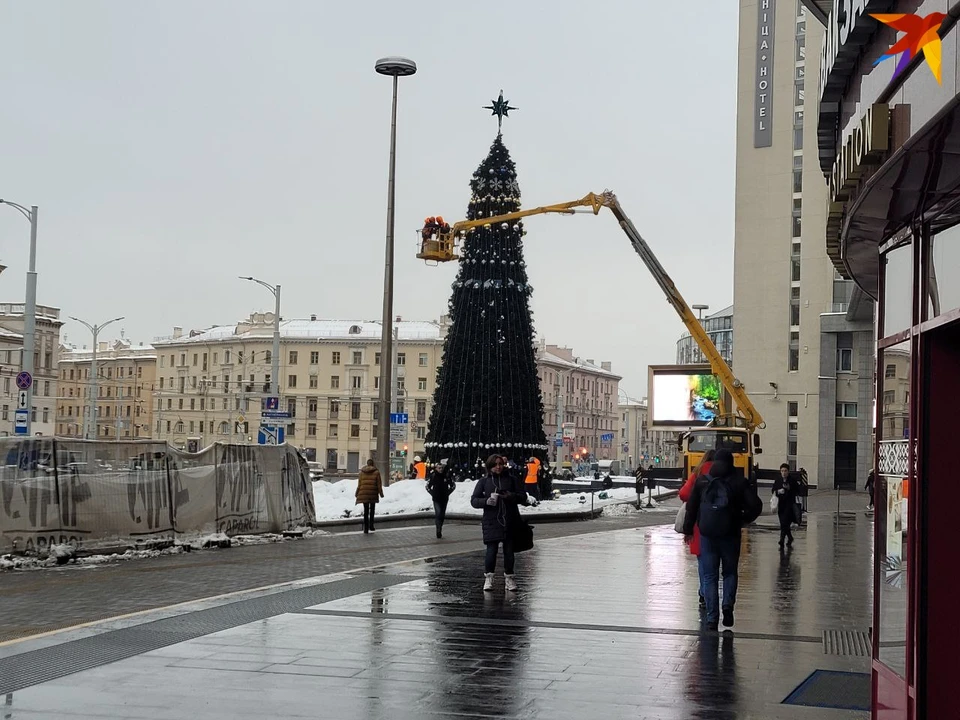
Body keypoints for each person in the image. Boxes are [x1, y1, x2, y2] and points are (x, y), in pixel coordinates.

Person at [683, 449, 762, 631]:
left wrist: (688, 530)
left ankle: (712, 618)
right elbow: (756, 505)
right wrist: (743, 519)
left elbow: (691, 507)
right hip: (730, 534)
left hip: (707, 535)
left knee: (710, 576)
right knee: (729, 573)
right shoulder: (738, 482)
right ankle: (727, 606)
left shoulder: (702, 481)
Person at [470, 454, 528, 592]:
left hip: (509, 520)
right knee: (491, 551)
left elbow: (523, 496)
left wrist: (511, 496)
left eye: (500, 464)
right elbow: (474, 500)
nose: (498, 467)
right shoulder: (484, 482)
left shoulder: (512, 480)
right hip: (491, 520)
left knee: (509, 552)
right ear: (490, 466)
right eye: (495, 464)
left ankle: (509, 578)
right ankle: (489, 577)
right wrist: (486, 501)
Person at [679, 450, 716, 608]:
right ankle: (719, 600)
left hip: (700, 522)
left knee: (703, 561)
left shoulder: (698, 474)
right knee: (719, 564)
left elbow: (684, 494)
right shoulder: (726, 473)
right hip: (723, 524)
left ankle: (704, 594)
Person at [426, 459, 456, 538]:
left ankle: (440, 527)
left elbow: (453, 485)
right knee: (438, 513)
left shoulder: (446, 476)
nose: (440, 469)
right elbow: (427, 486)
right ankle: (438, 529)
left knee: (442, 515)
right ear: (436, 468)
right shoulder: (433, 476)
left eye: (441, 468)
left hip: (444, 498)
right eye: (439, 468)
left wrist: (448, 492)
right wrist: (432, 493)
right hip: (436, 498)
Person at [772, 463, 799, 548]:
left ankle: (781, 540)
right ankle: (790, 537)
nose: (784, 473)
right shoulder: (778, 480)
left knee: (785, 522)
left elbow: (797, 491)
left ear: (788, 472)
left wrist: (789, 489)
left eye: (785, 471)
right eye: (782, 471)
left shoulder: (792, 480)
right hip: (781, 504)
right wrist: (778, 491)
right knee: (783, 523)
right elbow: (773, 490)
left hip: (789, 504)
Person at [355, 459, 384, 534]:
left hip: (364, 493)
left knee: (366, 510)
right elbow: (379, 484)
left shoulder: (362, 472)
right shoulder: (376, 472)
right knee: (372, 510)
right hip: (373, 493)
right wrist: (381, 493)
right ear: (373, 464)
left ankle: (365, 528)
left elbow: (359, 484)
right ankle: (371, 525)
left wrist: (357, 493)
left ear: (367, 464)